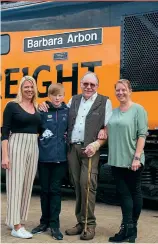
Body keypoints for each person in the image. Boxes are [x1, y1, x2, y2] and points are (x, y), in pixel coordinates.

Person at [39, 71, 112, 240]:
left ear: (97, 86)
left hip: (90, 149)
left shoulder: (104, 102)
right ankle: (80, 222)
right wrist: (43, 105)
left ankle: (89, 225)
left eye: (92, 85)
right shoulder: (73, 100)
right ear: (80, 84)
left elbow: (108, 128)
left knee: (87, 184)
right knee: (77, 185)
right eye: (85, 84)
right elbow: (57, 110)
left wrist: (98, 141)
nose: (88, 87)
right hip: (72, 149)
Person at [106, 79, 148, 243]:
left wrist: (137, 157)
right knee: (124, 194)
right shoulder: (114, 112)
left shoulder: (138, 109)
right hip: (116, 160)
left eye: (123, 90)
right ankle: (128, 229)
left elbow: (142, 135)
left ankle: (129, 229)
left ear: (130, 91)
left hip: (133, 160)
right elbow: (109, 129)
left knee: (134, 192)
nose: (120, 93)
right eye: (117, 90)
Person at [1, 76, 41, 239]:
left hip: (33, 146)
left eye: (32, 87)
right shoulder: (12, 106)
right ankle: (16, 226)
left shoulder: (37, 107)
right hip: (16, 145)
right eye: (26, 87)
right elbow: (5, 132)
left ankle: (17, 220)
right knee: (15, 186)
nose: (29, 90)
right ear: (21, 88)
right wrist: (5, 156)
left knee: (26, 186)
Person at [31, 83, 68, 240]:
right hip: (44, 158)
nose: (57, 98)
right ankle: (43, 222)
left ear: (63, 96)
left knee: (55, 191)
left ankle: (54, 225)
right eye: (54, 95)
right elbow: (35, 129)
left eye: (60, 95)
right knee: (44, 191)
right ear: (49, 96)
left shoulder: (68, 112)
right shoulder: (42, 112)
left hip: (60, 159)